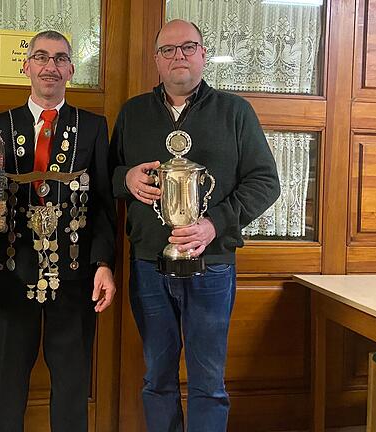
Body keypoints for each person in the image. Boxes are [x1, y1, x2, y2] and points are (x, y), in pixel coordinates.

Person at [109, 19, 281, 432]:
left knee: (207, 381)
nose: (178, 56)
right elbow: (108, 176)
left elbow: (266, 182)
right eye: (168, 50)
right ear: (156, 60)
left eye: (188, 47)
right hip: (149, 265)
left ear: (203, 54)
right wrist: (126, 179)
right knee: (156, 378)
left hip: (212, 265)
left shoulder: (235, 111)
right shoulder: (133, 112)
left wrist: (212, 225)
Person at [0, 30, 116, 432]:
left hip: (76, 278)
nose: (50, 67)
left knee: (73, 386)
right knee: (7, 388)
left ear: (71, 70)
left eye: (60, 59)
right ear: (26, 67)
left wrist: (103, 263)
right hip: (11, 272)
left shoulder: (93, 126)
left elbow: (103, 206)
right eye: (41, 57)